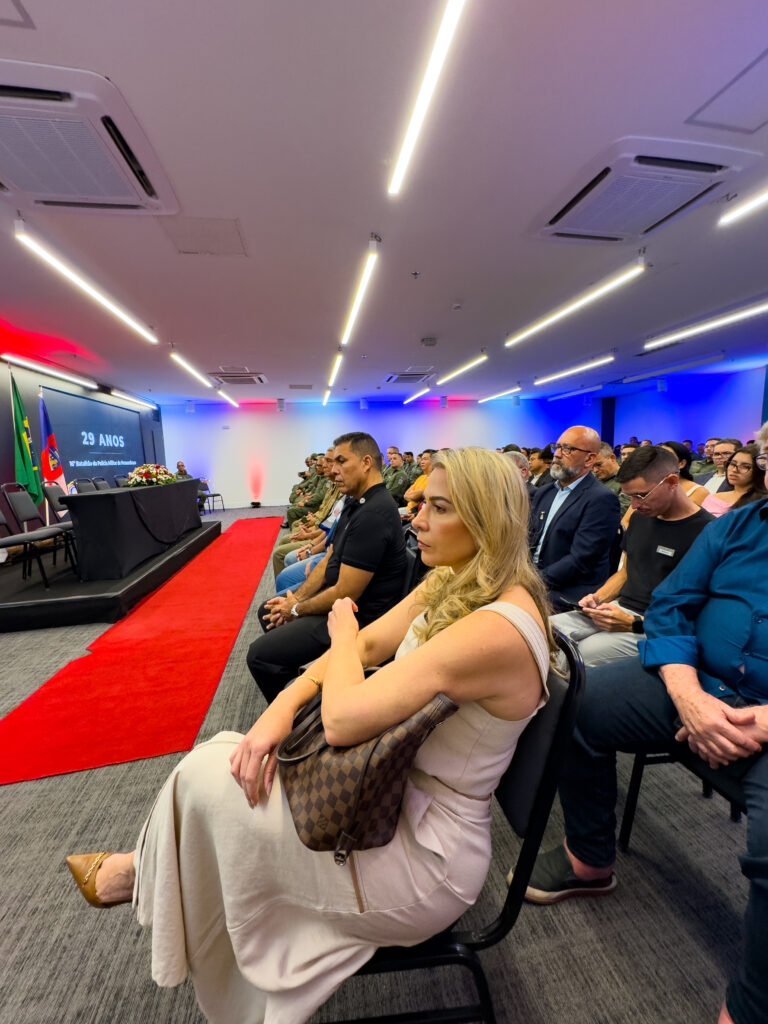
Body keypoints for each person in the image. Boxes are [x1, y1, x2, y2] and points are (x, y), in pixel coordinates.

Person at [66, 447, 554, 1024]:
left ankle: (137, 876)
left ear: (485, 521)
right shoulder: (459, 578)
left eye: (436, 507)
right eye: (420, 502)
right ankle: (143, 875)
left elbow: (345, 711)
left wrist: (342, 633)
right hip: (388, 797)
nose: (415, 518)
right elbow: (372, 646)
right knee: (224, 754)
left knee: (210, 774)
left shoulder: (496, 627)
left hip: (427, 857)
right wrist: (285, 706)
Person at [524, 422, 768, 1024]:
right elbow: (672, 604)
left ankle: (752, 1006)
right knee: (569, 704)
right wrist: (688, 696)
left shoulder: (708, 519)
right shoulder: (739, 525)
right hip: (698, 684)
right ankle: (589, 858)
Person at [247, 432, 407, 703]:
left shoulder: (374, 513)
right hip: (340, 606)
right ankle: (306, 682)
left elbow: (346, 592)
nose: (333, 470)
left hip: (357, 619)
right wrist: (296, 600)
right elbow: (328, 559)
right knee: (268, 611)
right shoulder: (356, 503)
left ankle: (296, 717)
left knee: (259, 655)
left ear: (366, 462)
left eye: (341, 461)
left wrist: (296, 609)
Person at [551, 445, 713, 665]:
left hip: (658, 624)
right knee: (544, 634)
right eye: (630, 497)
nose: (635, 505)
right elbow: (626, 572)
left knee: (573, 657)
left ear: (672, 483)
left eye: (642, 495)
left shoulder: (709, 533)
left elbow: (701, 612)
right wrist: (598, 598)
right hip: (621, 608)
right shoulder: (641, 518)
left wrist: (634, 623)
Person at [529, 426, 621, 611]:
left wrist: (532, 582)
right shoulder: (545, 492)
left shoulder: (601, 499)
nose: (557, 455)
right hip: (535, 580)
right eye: (557, 447)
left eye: (568, 449)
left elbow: (581, 560)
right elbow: (527, 539)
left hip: (567, 592)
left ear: (589, 459)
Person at [701, 444, 768, 517]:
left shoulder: (762, 501)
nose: (734, 470)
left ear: (759, 471)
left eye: (745, 466)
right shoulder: (713, 497)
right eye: (733, 464)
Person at [592, 443, 630, 514]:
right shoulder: (592, 478)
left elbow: (621, 511)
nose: (595, 470)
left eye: (598, 465)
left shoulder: (628, 479)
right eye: (592, 466)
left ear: (612, 458)